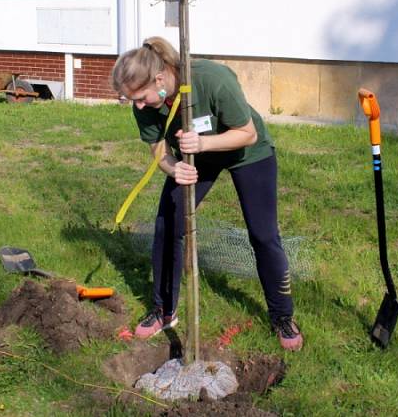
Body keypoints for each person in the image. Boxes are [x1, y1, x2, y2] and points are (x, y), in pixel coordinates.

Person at [111, 37, 304, 351]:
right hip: (193, 156)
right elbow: (159, 151)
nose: (139, 105)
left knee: (263, 234)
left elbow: (247, 133)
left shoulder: (212, 79)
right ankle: (164, 310)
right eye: (132, 99)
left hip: (247, 153)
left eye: (142, 97)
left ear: (159, 79)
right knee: (167, 225)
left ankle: (282, 316)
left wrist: (202, 144)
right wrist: (174, 169)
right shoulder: (145, 102)